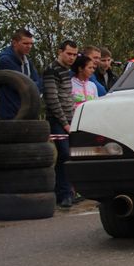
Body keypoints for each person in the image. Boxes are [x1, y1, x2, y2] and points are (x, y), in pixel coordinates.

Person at [44, 40, 79, 208]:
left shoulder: (67, 71)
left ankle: (67, 191)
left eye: (74, 54)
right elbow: (52, 99)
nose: (72, 57)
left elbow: (67, 97)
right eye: (69, 54)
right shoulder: (52, 70)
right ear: (60, 52)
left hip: (70, 117)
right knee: (64, 154)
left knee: (69, 155)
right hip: (58, 120)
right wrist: (65, 123)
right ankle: (64, 193)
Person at [0, 28, 43, 119]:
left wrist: (34, 85)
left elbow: (38, 84)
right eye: (25, 43)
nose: (29, 46)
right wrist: (33, 85)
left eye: (31, 43)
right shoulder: (5, 60)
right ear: (14, 43)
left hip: (27, 110)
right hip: (10, 112)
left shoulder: (28, 62)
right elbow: (21, 85)